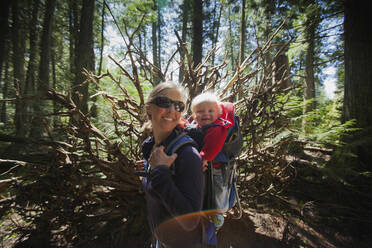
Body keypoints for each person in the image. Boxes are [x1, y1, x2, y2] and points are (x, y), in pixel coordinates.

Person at [139, 82, 217, 248]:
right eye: (164, 103)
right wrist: (150, 172)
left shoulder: (187, 155)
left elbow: (190, 221)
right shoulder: (151, 148)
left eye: (178, 106)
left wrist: (160, 172)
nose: (172, 110)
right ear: (149, 109)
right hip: (162, 241)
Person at [189, 92, 235, 230]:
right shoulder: (196, 125)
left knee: (218, 190)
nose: (206, 114)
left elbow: (213, 145)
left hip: (217, 167)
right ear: (194, 116)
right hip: (207, 167)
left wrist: (204, 158)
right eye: (200, 111)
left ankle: (219, 213)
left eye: (211, 111)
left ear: (218, 112)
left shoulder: (218, 127)